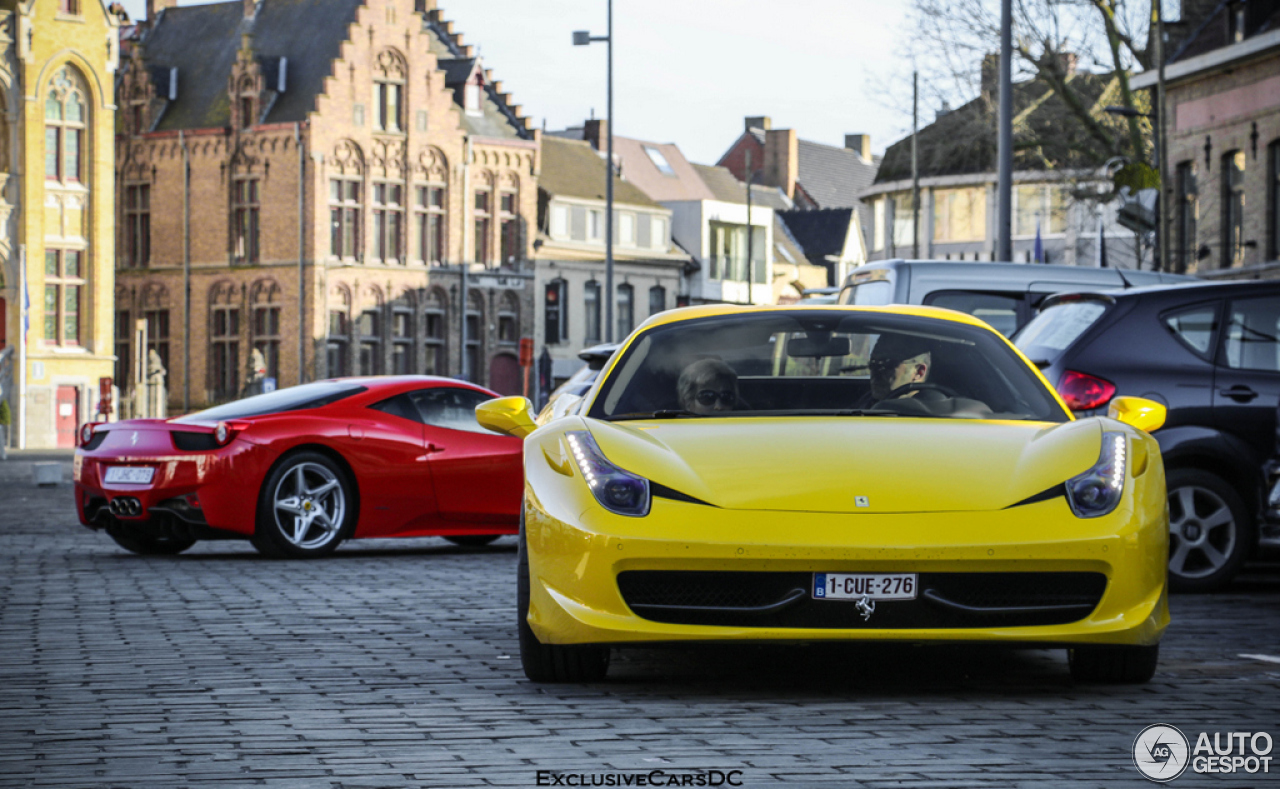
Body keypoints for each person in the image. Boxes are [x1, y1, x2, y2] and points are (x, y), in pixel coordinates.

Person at [867, 333, 933, 402]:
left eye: (887, 364)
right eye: (872, 363)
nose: (875, 372)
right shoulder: (867, 401)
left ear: (919, 372)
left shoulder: (921, 412)